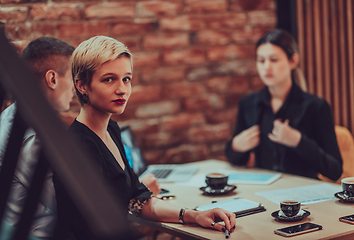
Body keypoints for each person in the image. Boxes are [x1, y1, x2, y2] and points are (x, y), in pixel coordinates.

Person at [53, 36, 236, 240]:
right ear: (82, 86)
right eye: (109, 79)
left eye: (126, 78)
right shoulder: (79, 145)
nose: (122, 89)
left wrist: (194, 215)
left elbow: (137, 199)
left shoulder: (111, 130)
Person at [225, 29, 342, 181]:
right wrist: (236, 146)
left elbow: (335, 170)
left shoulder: (316, 106)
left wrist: (298, 141)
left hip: (303, 194)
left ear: (293, 61)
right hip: (263, 191)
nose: (266, 67)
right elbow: (236, 160)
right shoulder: (248, 103)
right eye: (261, 60)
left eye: (273, 60)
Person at [0, 37, 75, 239]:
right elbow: (69, 206)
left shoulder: (12, 114)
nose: (76, 88)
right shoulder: (32, 136)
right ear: (53, 79)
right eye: (73, 77)